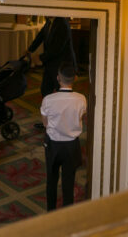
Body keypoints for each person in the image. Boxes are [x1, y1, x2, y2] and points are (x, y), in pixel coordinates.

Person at [39, 63, 85, 211]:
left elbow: (45, 123)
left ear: (58, 78)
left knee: (51, 180)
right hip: (72, 145)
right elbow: (81, 116)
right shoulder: (81, 99)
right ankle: (67, 213)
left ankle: (51, 211)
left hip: (53, 145)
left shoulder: (48, 99)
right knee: (68, 181)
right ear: (75, 78)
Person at [27, 16, 76, 98]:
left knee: (60, 91)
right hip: (51, 62)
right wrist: (30, 49)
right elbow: (41, 35)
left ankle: (59, 109)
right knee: (45, 89)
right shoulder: (49, 21)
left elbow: (57, 48)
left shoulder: (62, 23)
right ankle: (48, 108)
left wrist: (40, 58)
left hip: (61, 64)